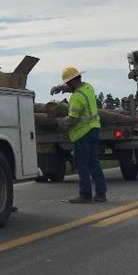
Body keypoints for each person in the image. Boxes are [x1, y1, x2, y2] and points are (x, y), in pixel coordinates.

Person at [51, 66, 106, 203]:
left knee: (82, 164)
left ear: (72, 81)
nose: (68, 85)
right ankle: (101, 194)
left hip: (82, 133)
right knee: (94, 163)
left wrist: (60, 122)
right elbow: (75, 88)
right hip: (94, 129)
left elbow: (72, 119)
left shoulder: (76, 98)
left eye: (68, 83)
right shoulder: (88, 88)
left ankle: (85, 195)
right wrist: (61, 88)